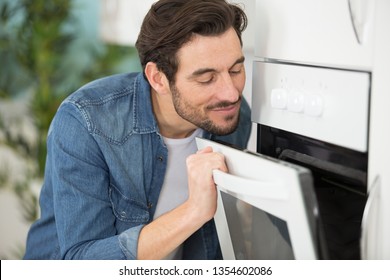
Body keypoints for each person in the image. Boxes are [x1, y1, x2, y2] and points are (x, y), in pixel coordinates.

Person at [24, 0, 251, 260]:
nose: (231, 93)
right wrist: (193, 211)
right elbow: (81, 262)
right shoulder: (86, 121)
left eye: (236, 69)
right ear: (157, 78)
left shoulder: (232, 115)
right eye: (206, 78)